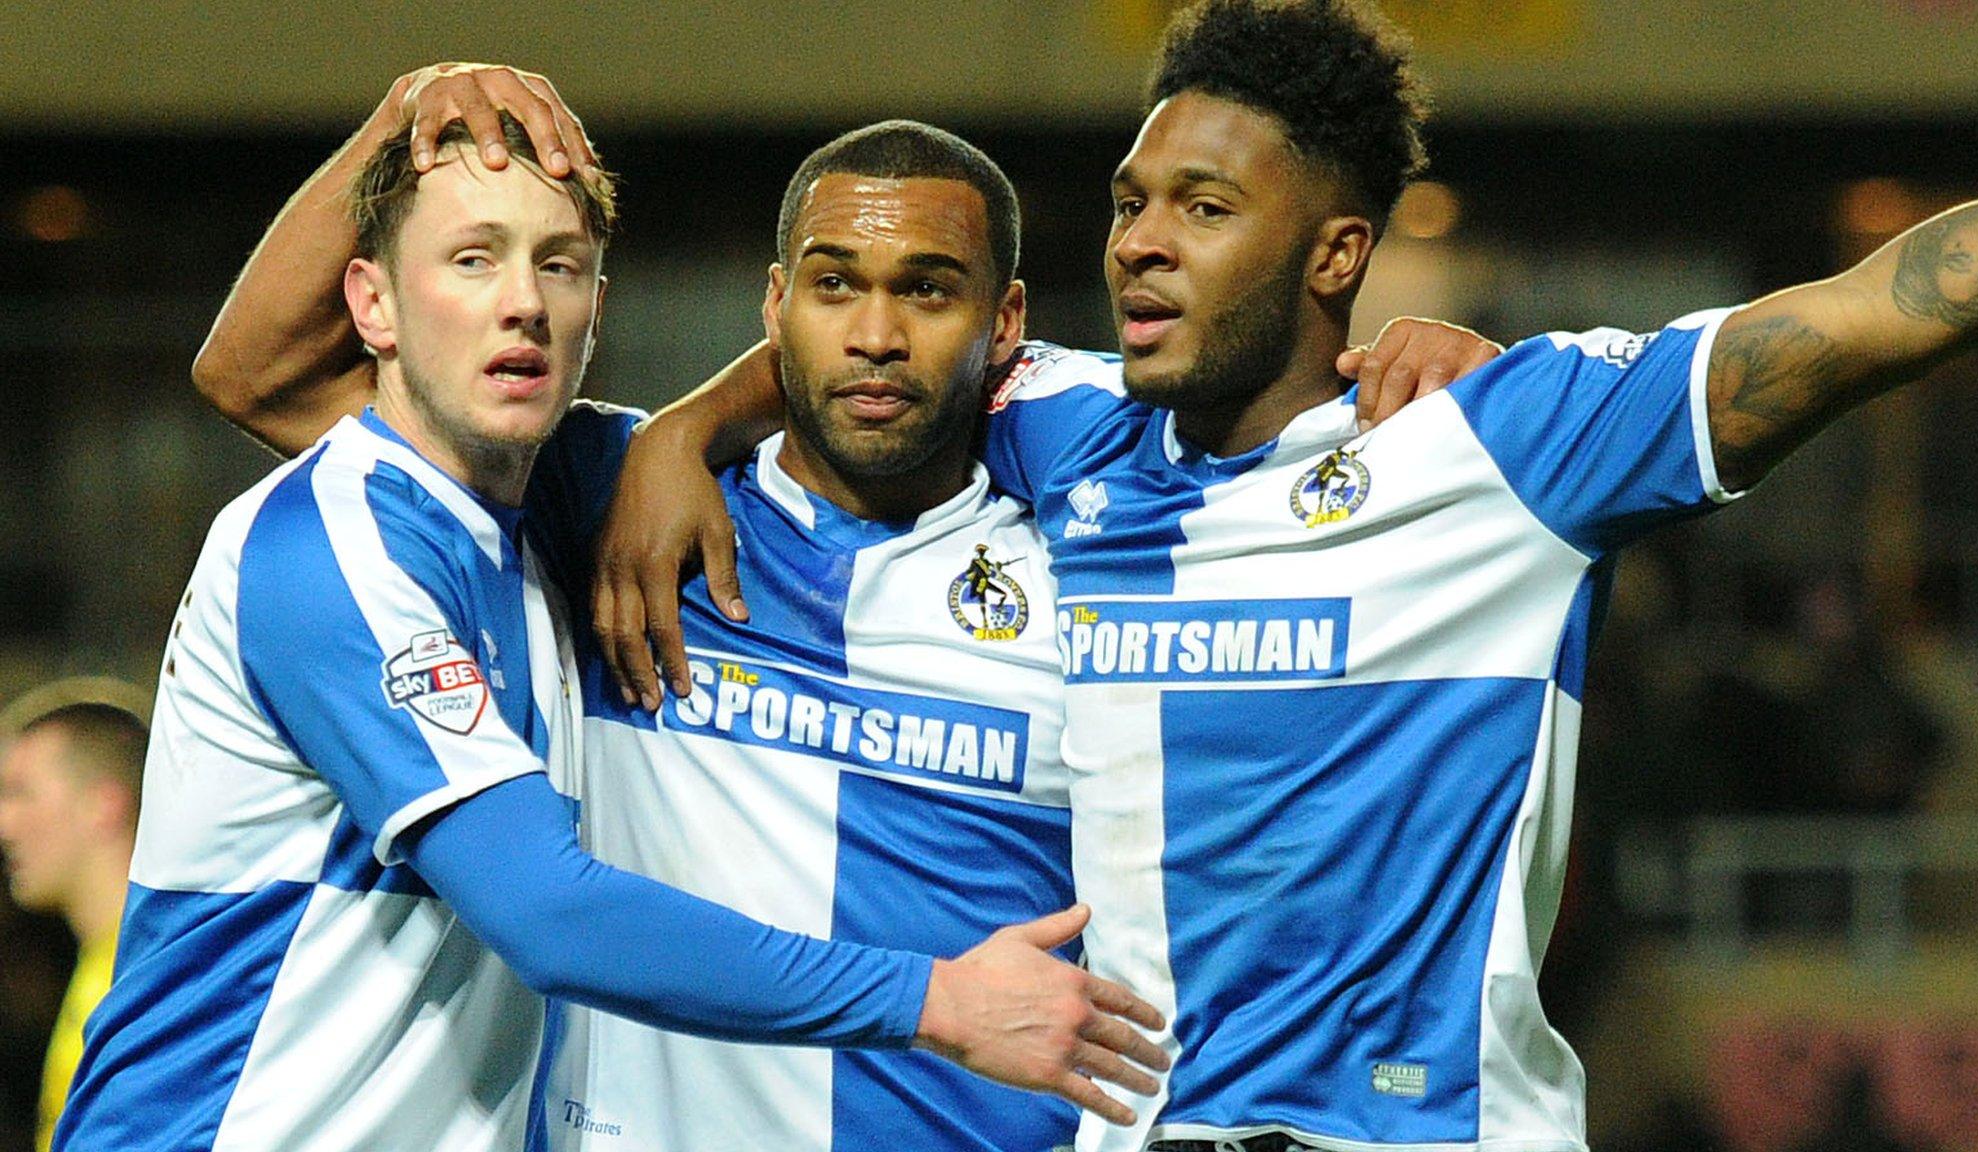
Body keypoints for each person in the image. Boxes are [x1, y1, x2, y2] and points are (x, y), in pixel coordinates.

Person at [596, 1, 1978, 1149]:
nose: (1144, 243)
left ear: (1339, 252)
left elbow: (1873, 314)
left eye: (1206, 210)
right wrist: (682, 432)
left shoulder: (1499, 447)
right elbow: (877, 339)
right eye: (1130, 200)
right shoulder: (1068, 429)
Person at [191, 72, 1491, 1145]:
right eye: (832, 287)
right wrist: (407, 116)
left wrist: (1436, 387)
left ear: (1006, 327)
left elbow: (1280, 443)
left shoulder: (1101, 550)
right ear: (774, 307)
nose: (875, 333)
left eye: (927, 291)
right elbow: (261, 375)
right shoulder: (599, 495)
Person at [62, 74, 1171, 1152]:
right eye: (470, 260)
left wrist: (681, 430)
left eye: (559, 266)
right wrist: (410, 108)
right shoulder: (387, 535)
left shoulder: (553, 501)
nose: (521, 302)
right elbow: (546, 911)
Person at [0, 680, 149, 1152]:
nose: (3, 824)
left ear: (103, 803)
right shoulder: (98, 968)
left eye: (20, 792)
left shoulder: (144, 985)